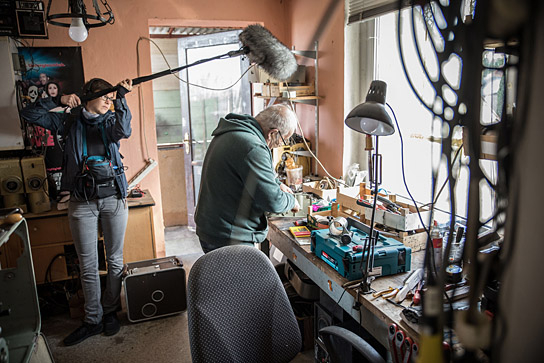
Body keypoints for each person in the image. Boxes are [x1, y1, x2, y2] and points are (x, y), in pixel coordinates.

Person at [20, 77, 133, 346]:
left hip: (113, 198)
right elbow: (29, 113)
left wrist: (122, 97)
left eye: (110, 97)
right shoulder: (68, 120)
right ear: (87, 97)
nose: (108, 101)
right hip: (81, 202)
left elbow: (125, 130)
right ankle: (92, 319)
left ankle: (109, 311)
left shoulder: (110, 120)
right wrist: (58, 100)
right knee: (88, 265)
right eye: (104, 96)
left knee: (115, 260)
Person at [195, 104, 300, 253]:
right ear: (273, 133)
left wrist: (277, 184)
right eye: (284, 139)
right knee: (241, 277)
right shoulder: (253, 147)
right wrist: (291, 200)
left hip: (214, 229)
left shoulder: (234, 131)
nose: (281, 145)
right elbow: (273, 202)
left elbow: (246, 172)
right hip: (228, 237)